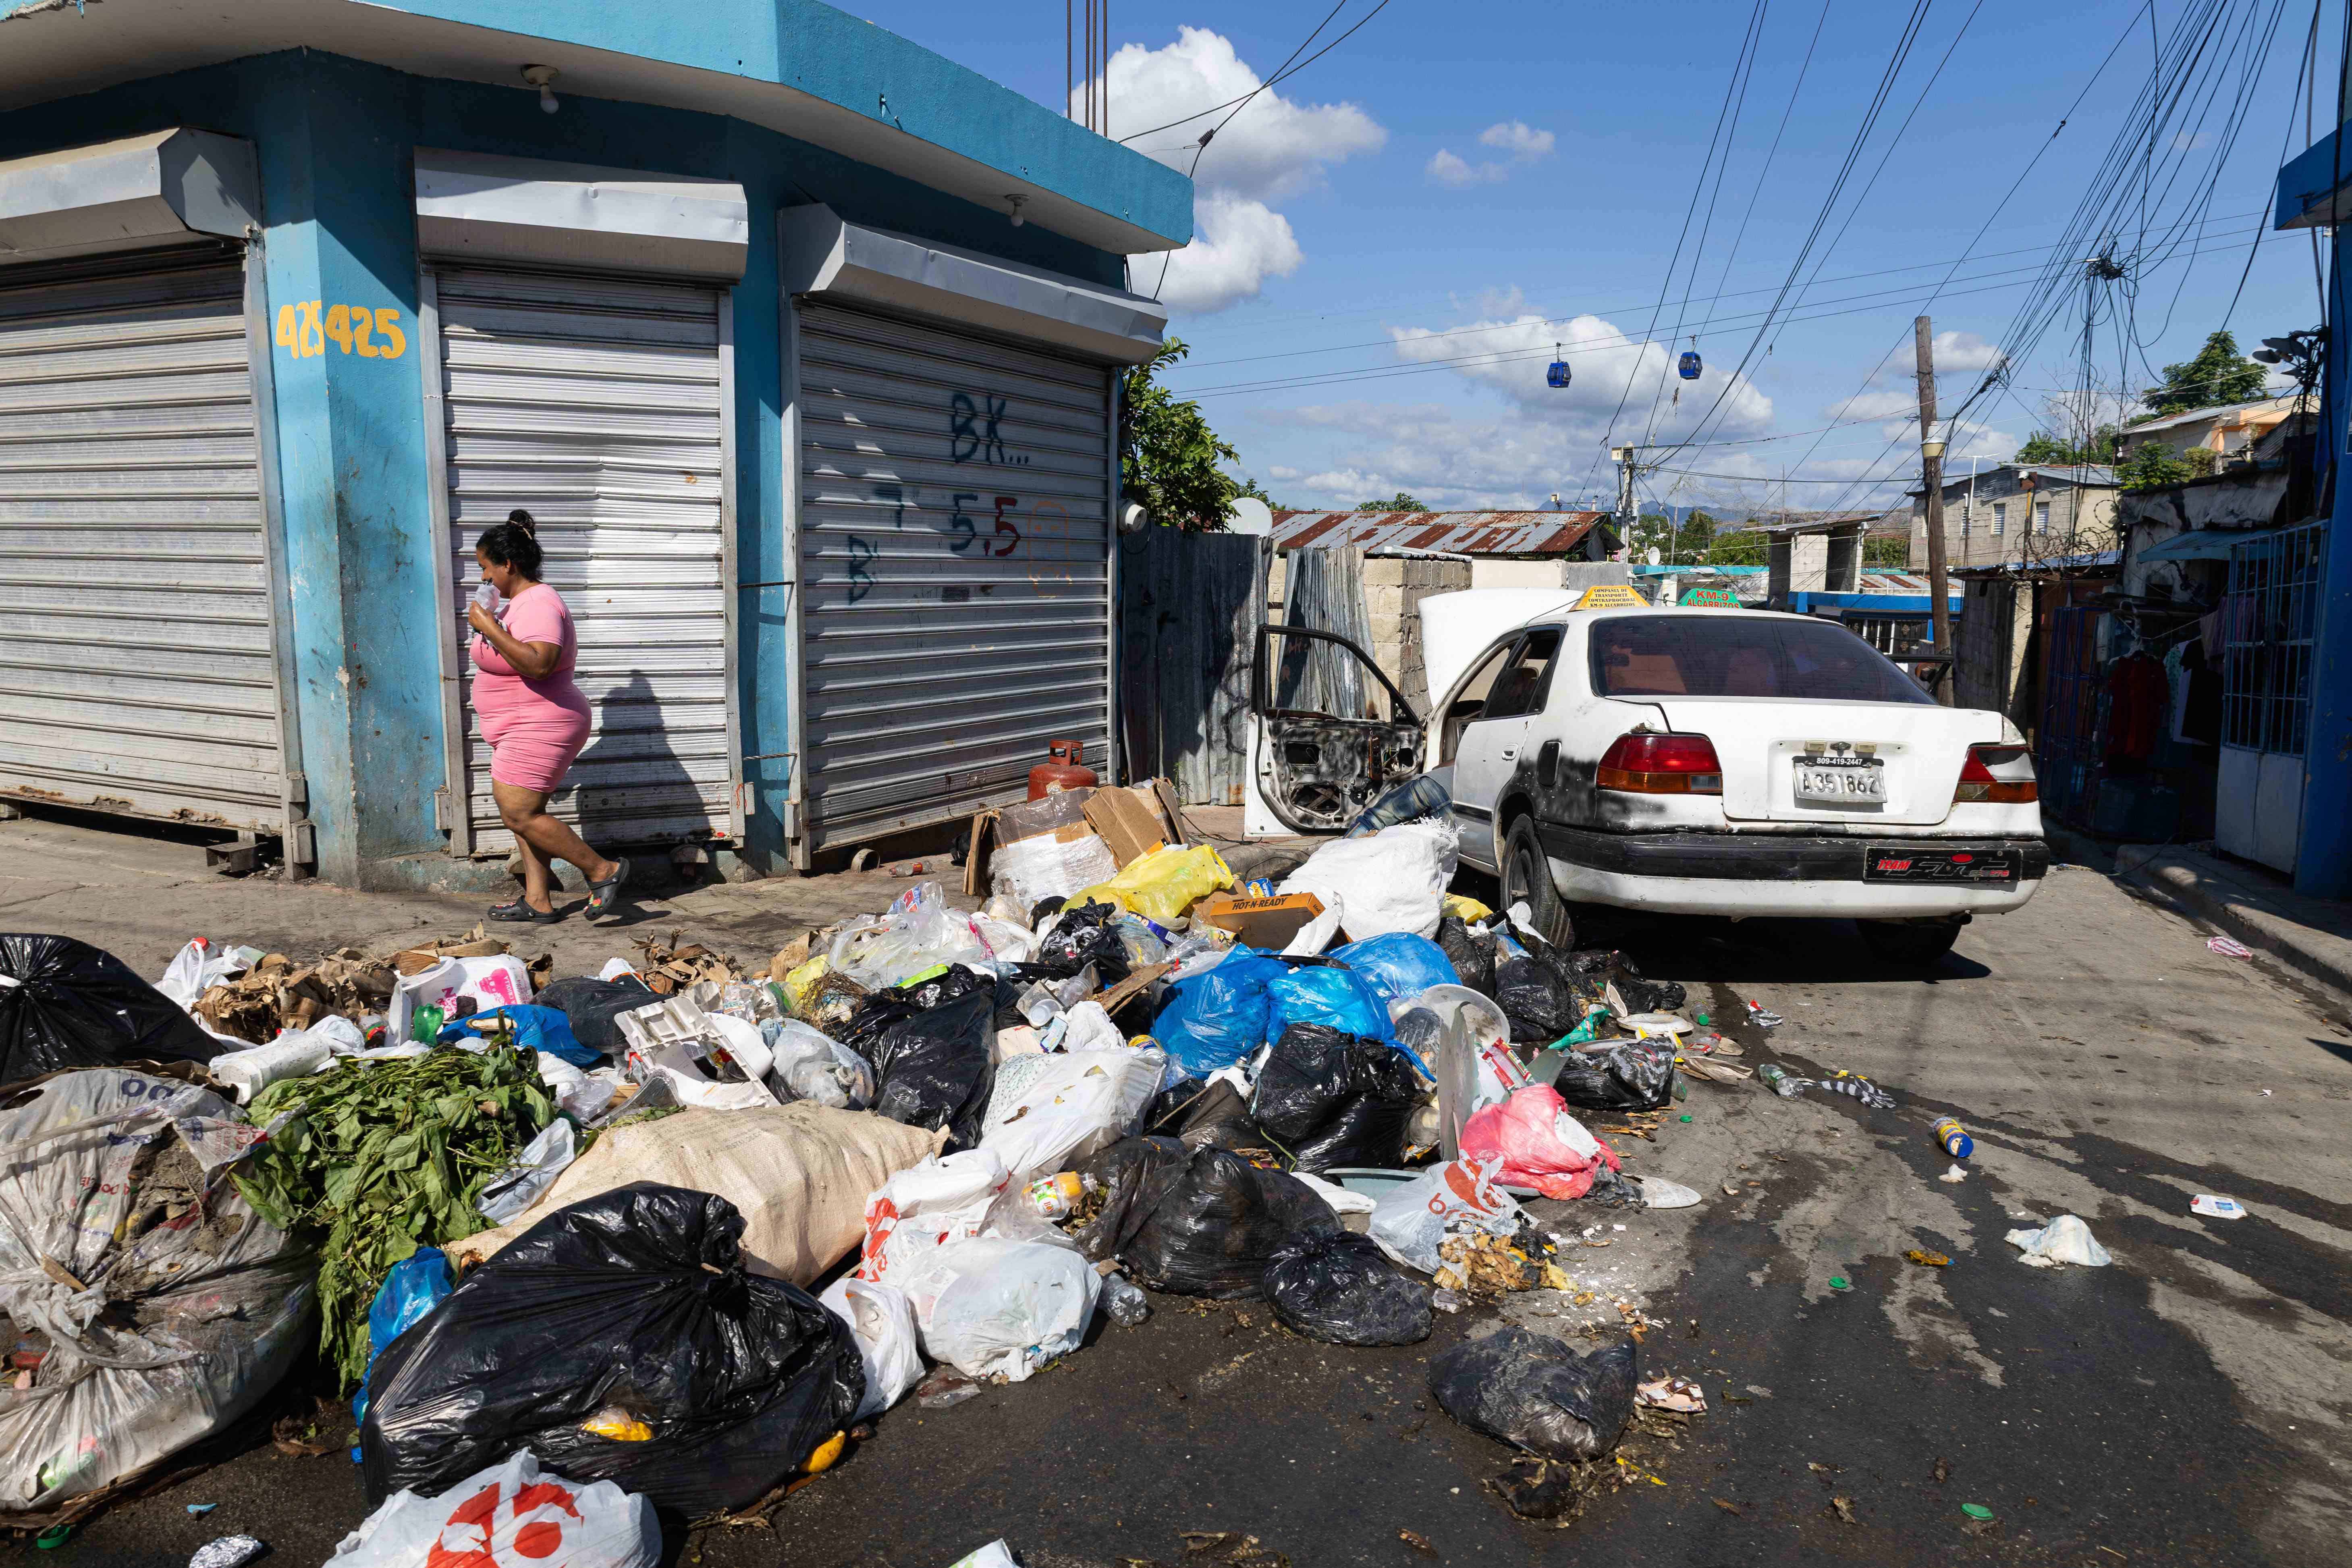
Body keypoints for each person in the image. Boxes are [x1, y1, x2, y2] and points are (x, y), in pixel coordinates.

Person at [465, 510, 631, 922]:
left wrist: (488, 627)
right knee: (525, 816)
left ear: (509, 564)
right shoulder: (519, 603)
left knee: (520, 813)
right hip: (520, 723)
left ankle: (602, 870)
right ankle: (538, 900)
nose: (484, 578)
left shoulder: (540, 602)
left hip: (539, 722)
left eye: (487, 568)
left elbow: (540, 663)